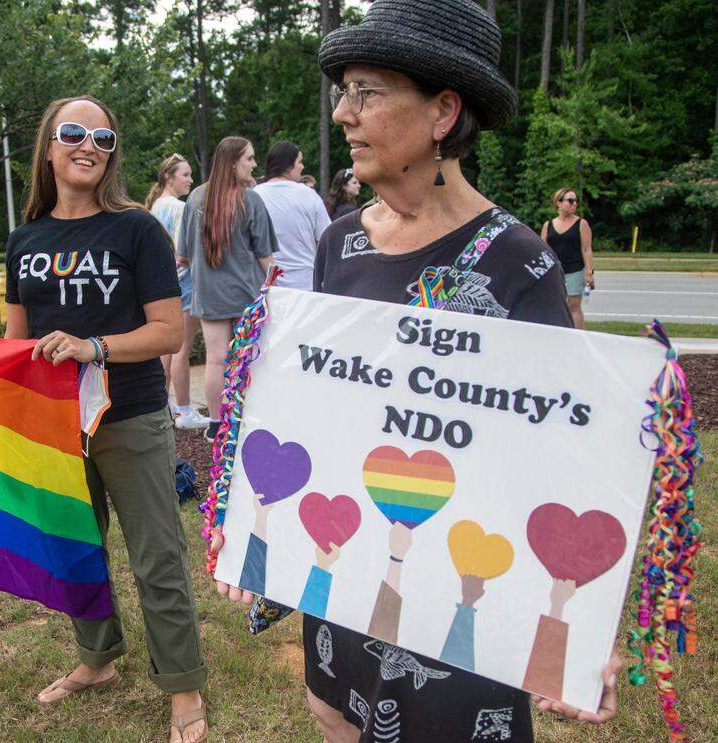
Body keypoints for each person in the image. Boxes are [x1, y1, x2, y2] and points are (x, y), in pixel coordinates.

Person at [214, 2, 623, 741]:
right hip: (351, 565)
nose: (343, 114)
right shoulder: (340, 243)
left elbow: (560, 458)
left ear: (442, 111)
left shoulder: (517, 263)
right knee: (333, 711)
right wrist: (258, 536)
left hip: (459, 582)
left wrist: (587, 627)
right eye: (343, 91)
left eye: (366, 92)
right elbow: (321, 409)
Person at [5, 96, 208, 743]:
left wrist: (95, 347)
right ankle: (97, 659)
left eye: (103, 137)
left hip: (133, 415)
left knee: (158, 558)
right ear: (48, 147)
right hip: (55, 424)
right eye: (72, 132)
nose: (88, 144)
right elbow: (15, 340)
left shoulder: (137, 228)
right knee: (75, 546)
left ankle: (183, 685)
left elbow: (170, 330)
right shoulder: (24, 239)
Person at [177, 136, 277, 442]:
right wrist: (277, 287)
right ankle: (250, 417)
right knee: (251, 358)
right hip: (247, 294)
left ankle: (216, 423)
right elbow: (265, 256)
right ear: (233, 162)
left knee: (216, 358)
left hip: (207, 293)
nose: (254, 164)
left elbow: (182, 255)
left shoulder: (195, 198)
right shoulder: (251, 199)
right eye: (249, 158)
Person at [145, 153, 209, 430]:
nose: (190, 179)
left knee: (165, 351)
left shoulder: (155, 206)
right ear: (169, 177)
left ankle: (163, 404)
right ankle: (183, 408)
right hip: (183, 282)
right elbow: (187, 251)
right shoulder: (178, 208)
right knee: (180, 350)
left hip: (162, 283)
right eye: (185, 174)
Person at [254, 141, 331, 290]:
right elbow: (326, 238)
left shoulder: (255, 195)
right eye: (299, 162)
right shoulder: (309, 195)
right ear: (288, 165)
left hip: (267, 285)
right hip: (306, 284)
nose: (302, 166)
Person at [541, 187, 594, 329]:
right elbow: (543, 251)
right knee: (554, 305)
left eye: (576, 201)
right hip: (554, 272)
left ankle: (577, 336)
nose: (574, 204)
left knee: (574, 306)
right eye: (570, 201)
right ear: (559, 203)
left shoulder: (581, 224)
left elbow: (587, 249)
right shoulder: (548, 225)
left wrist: (589, 273)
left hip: (574, 270)